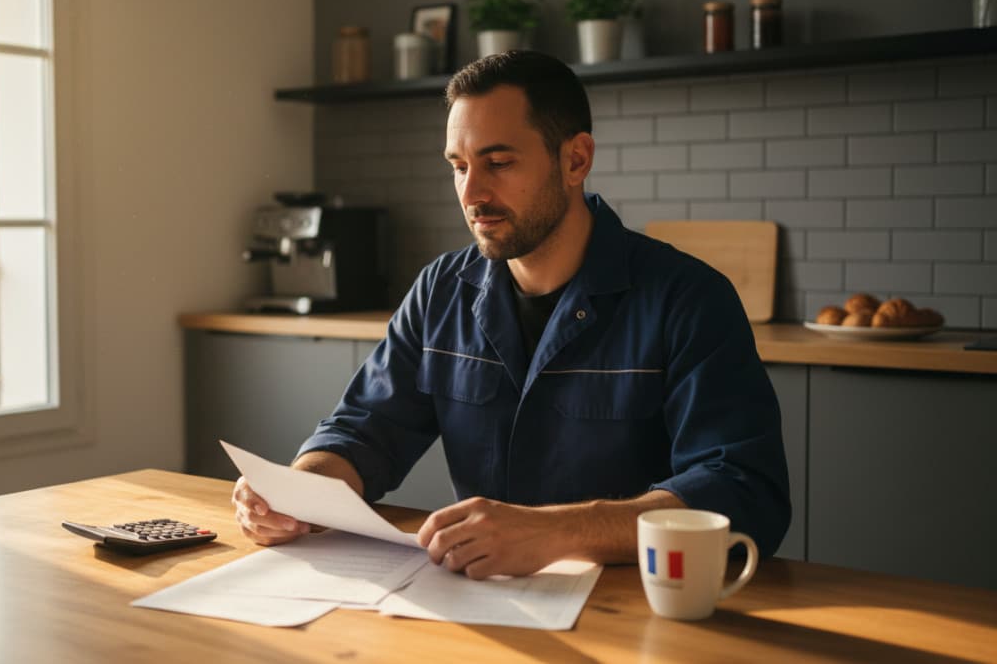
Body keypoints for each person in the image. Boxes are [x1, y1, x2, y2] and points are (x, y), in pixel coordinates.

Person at [232, 51, 790, 580]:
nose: (472, 192)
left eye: (498, 162)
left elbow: (742, 489)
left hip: (639, 609)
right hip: (482, 603)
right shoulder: (439, 291)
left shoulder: (688, 298)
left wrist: (557, 532)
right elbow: (363, 432)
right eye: (459, 166)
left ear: (575, 160)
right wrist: (295, 494)